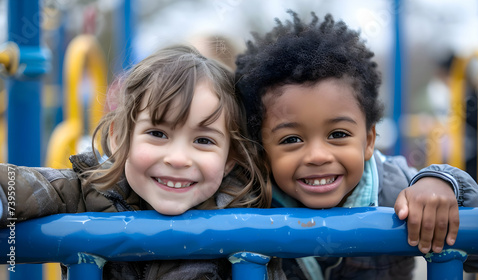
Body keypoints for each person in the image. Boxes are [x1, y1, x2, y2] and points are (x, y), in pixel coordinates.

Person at [235, 10, 478, 279]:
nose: (317, 155)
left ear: (369, 140)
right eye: (292, 139)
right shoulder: (251, 202)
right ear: (262, 152)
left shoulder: (398, 193)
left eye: (337, 134)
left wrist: (442, 186)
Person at [0, 45, 284, 279]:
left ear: (230, 159)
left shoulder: (246, 218)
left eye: (203, 140)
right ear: (119, 138)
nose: (177, 159)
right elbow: (27, 187)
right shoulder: (92, 191)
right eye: (157, 133)